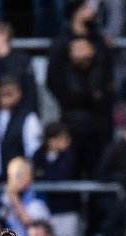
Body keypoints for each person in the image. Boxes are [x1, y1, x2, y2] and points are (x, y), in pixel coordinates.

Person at [47, 34, 115, 178]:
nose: (78, 52)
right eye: (74, 49)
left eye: (81, 47)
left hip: (98, 132)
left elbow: (107, 98)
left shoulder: (102, 69)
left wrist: (82, 98)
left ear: (92, 50)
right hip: (72, 131)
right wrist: (91, 96)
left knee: (97, 175)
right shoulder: (64, 71)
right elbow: (65, 97)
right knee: (71, 174)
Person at [0, 77, 43, 180]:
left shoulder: (28, 118)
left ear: (19, 93)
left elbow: (33, 152)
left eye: (9, 94)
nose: (5, 98)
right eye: (1, 94)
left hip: (18, 180)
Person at [0, 22, 38, 115]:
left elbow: (30, 95)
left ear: (3, 35)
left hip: (21, 117)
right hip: (0, 117)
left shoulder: (21, 60)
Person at [1, 158, 50, 236]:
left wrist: (14, 199)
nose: (14, 180)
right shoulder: (4, 199)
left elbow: (30, 222)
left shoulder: (38, 197)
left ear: (30, 177)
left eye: (19, 176)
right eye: (10, 176)